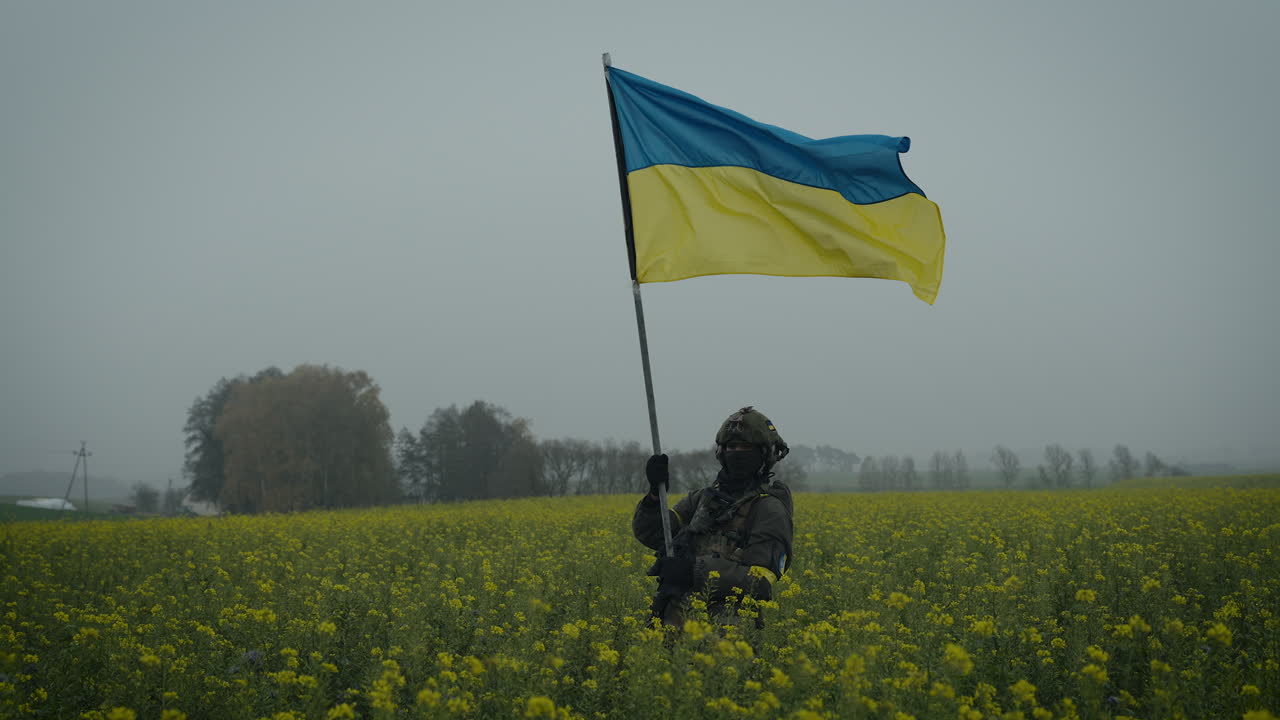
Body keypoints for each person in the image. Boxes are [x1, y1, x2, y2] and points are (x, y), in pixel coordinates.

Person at [633, 406, 794, 628]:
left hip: (726, 630)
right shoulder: (702, 499)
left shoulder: (768, 508)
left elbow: (761, 581)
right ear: (721, 452)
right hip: (677, 619)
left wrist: (693, 571)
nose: (736, 452)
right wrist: (654, 496)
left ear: (764, 454)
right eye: (731, 446)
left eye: (745, 447)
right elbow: (654, 534)